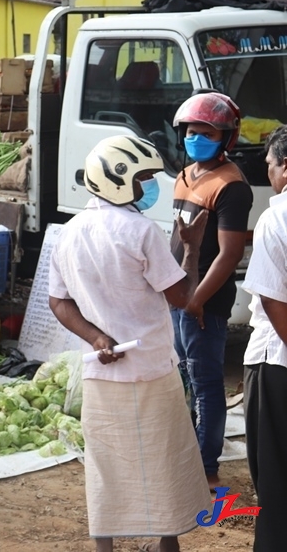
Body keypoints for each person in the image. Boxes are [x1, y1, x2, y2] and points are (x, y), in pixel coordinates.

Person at [49, 135, 211, 552]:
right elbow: (181, 298)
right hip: (152, 367)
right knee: (162, 459)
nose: (150, 187)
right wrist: (191, 250)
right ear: (118, 181)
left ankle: (106, 547)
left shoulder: (68, 233)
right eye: (144, 179)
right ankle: (165, 543)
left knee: (106, 466)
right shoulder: (140, 230)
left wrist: (97, 337)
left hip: (100, 369)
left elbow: (58, 302)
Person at [169, 92, 252, 490]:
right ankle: (188, 452)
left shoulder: (232, 186)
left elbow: (230, 253)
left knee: (206, 384)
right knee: (184, 375)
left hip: (204, 300)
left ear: (226, 138)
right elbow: (178, 237)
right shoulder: (186, 175)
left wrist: (196, 300)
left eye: (207, 133)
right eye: (191, 131)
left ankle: (206, 466)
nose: (196, 138)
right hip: (180, 295)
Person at [242, 125, 287, 552]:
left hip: (277, 364)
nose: (268, 174)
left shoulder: (277, 216)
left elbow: (273, 299)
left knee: (274, 484)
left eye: (270, 165)